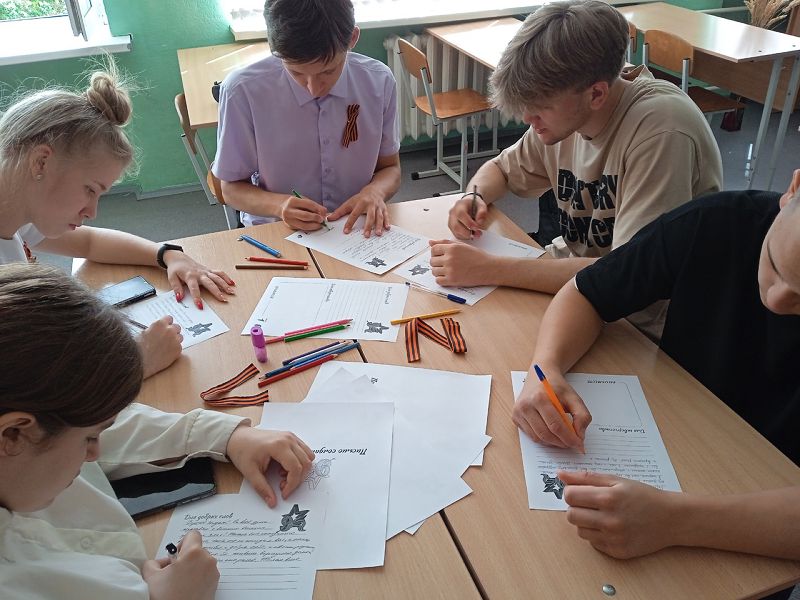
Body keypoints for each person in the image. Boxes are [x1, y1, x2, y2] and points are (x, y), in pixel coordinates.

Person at [512, 175, 800, 561]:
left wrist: (676, 520)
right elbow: (586, 292)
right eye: (775, 265)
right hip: (681, 437)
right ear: (793, 191)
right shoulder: (716, 222)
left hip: (760, 519)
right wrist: (544, 369)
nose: (777, 300)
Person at [0, 262, 315, 599]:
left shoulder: (30, 446)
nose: (96, 452)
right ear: (12, 435)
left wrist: (229, 436)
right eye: (89, 439)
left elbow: (108, 426)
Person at [430, 0, 722, 337]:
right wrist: (474, 196)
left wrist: (490, 269)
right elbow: (501, 170)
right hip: (580, 289)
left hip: (644, 323)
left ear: (596, 94)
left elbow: (626, 275)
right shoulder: (566, 114)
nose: (527, 118)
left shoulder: (662, 131)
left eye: (540, 107)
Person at [0, 66, 236, 378]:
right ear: (41, 162)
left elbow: (89, 242)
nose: (92, 211)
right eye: (89, 190)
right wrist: (137, 362)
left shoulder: (16, 212)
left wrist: (167, 254)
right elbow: (27, 388)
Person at [213, 0, 401, 238]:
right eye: (296, 72)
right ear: (274, 48)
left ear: (352, 39)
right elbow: (230, 188)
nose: (313, 88)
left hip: (354, 229)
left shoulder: (378, 81)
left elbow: (390, 168)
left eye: (328, 71)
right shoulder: (243, 91)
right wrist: (279, 205)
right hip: (277, 230)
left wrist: (375, 191)